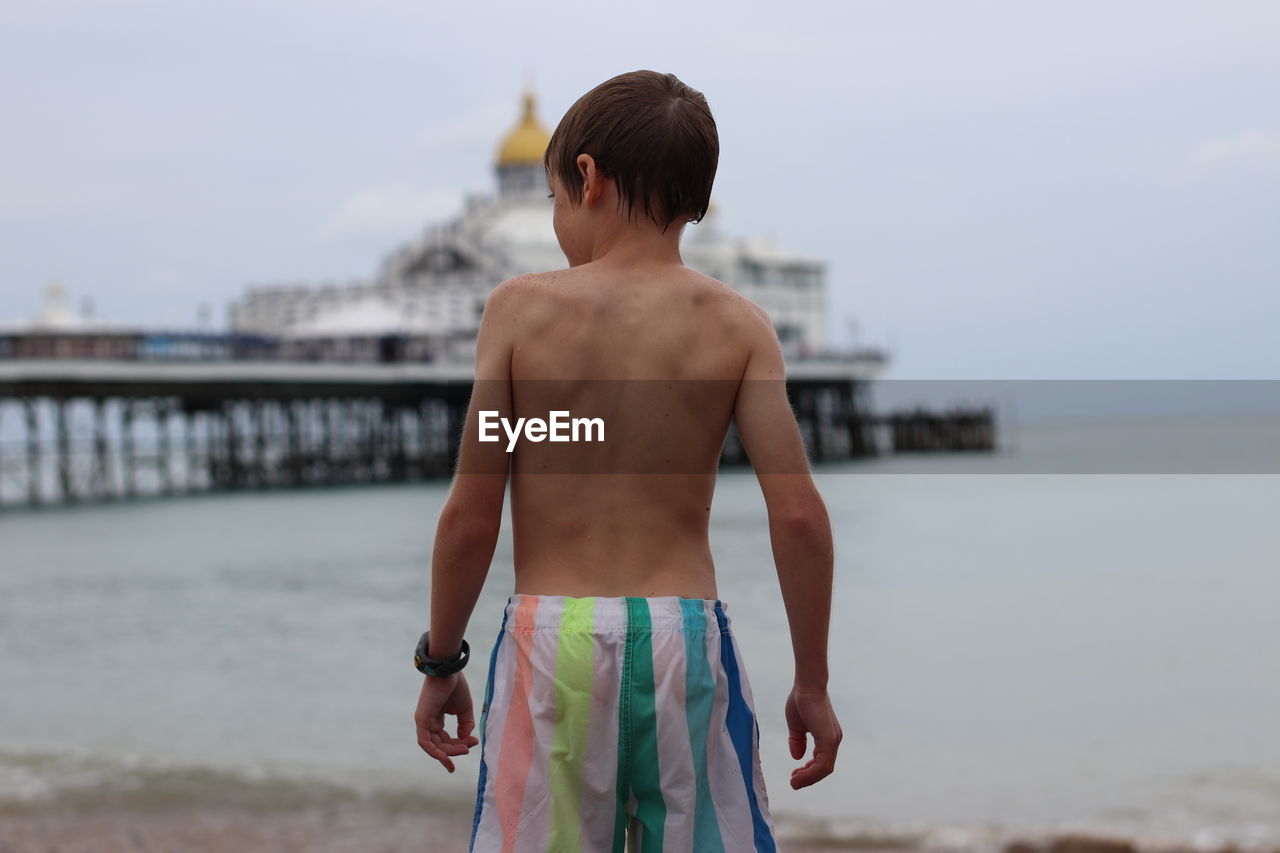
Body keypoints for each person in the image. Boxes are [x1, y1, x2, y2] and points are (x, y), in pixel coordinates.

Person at [414, 69, 840, 852]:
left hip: (553, 638)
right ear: (697, 199)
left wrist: (440, 659)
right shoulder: (739, 325)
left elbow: (471, 518)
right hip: (687, 634)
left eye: (554, 201)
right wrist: (810, 681)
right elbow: (800, 516)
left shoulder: (519, 310)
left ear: (587, 177)